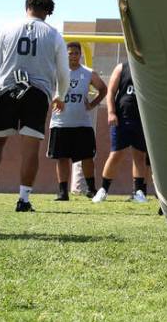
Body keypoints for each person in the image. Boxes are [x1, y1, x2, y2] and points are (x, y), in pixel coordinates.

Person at [0, 0, 69, 212]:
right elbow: (63, 71)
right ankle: (23, 199)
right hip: (37, 94)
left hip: (7, 89)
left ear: (26, 6)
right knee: (30, 150)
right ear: (48, 12)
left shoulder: (7, 29)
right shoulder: (54, 35)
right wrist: (61, 95)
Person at [49, 42, 107, 201]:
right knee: (61, 157)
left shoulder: (88, 73)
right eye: (70, 53)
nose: (73, 56)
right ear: (65, 55)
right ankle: (62, 192)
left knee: (87, 157)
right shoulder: (57, 72)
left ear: (80, 55)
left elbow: (103, 89)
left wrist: (93, 104)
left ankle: (91, 189)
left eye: (76, 53)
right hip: (60, 122)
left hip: (82, 123)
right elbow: (45, 86)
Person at [94, 62, 149, 204]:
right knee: (116, 154)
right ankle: (103, 190)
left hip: (142, 119)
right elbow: (111, 92)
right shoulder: (122, 67)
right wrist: (111, 112)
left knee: (140, 155)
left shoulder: (150, 67)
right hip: (122, 118)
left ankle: (139, 192)